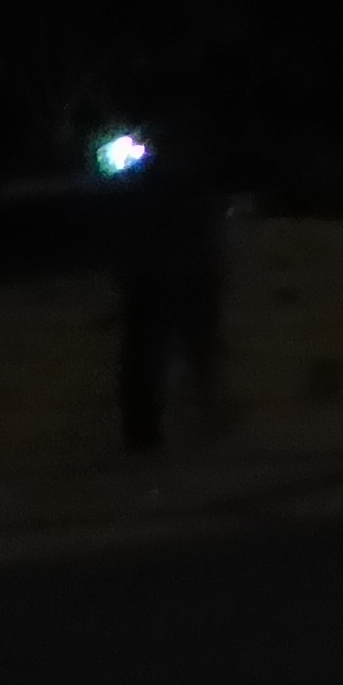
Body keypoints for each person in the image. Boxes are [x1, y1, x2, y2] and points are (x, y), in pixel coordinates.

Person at [107, 102, 228, 454]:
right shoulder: (164, 184)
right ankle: (159, 427)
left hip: (165, 276)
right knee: (160, 355)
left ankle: (159, 427)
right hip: (164, 276)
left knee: (163, 354)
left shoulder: (156, 183)